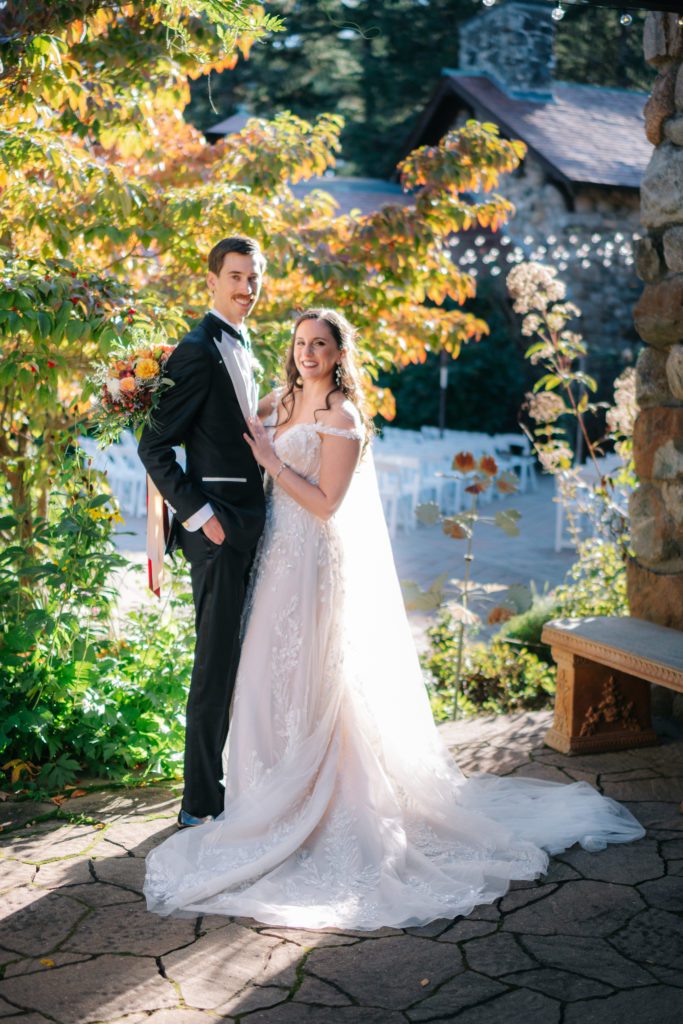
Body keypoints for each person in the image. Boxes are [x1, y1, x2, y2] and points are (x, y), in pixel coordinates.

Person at [143, 308, 644, 931]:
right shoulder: (283, 399)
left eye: (319, 345)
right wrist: (146, 392)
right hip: (274, 559)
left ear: (337, 353)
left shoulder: (342, 417)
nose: (307, 353)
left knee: (314, 679)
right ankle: (263, 792)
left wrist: (273, 464)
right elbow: (221, 417)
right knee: (264, 673)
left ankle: (321, 798)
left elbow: (327, 505)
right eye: (300, 343)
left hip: (314, 562)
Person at [138, 235, 266, 828]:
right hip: (217, 532)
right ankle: (199, 803)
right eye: (236, 276)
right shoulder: (196, 349)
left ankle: (240, 780)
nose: (246, 288)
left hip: (254, 526)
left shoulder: (244, 347)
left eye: (254, 278)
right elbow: (155, 446)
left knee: (246, 658)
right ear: (212, 279)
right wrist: (201, 516)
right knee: (215, 665)